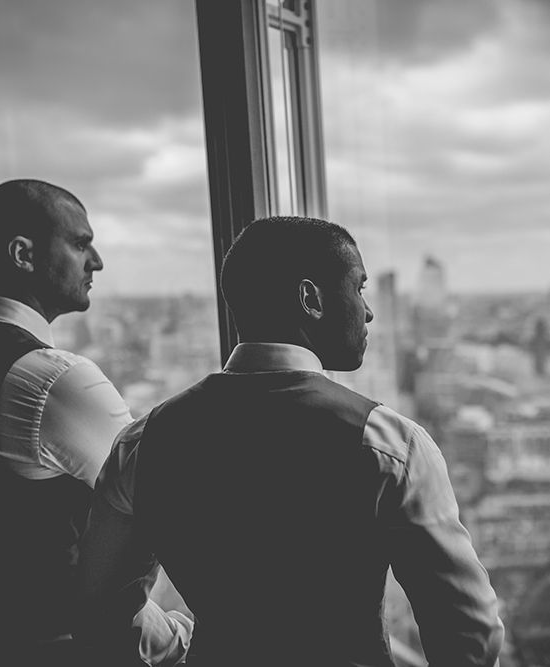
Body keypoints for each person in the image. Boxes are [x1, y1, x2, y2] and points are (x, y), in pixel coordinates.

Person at [77, 216, 505, 666]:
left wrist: (189, 644)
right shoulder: (387, 444)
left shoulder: (144, 441)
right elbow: (467, 635)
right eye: (359, 288)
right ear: (310, 299)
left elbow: (100, 611)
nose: (369, 310)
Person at [0, 179, 191, 667]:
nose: (95, 261)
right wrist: (178, 640)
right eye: (80, 243)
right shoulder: (56, 380)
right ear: (22, 254)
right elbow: (154, 522)